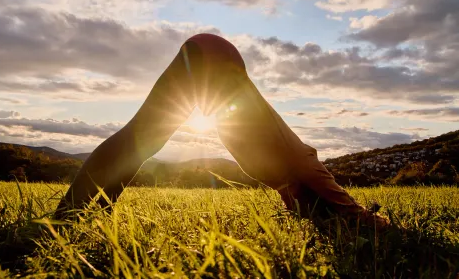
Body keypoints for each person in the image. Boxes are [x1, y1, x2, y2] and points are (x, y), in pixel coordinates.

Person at [54, 33, 390, 230]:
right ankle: (65, 218)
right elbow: (348, 207)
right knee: (142, 135)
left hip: (212, 57)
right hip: (213, 58)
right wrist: (363, 218)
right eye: (304, 207)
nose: (294, 207)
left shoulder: (281, 179)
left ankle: (93, 213)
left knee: (147, 142)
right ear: (307, 193)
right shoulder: (304, 165)